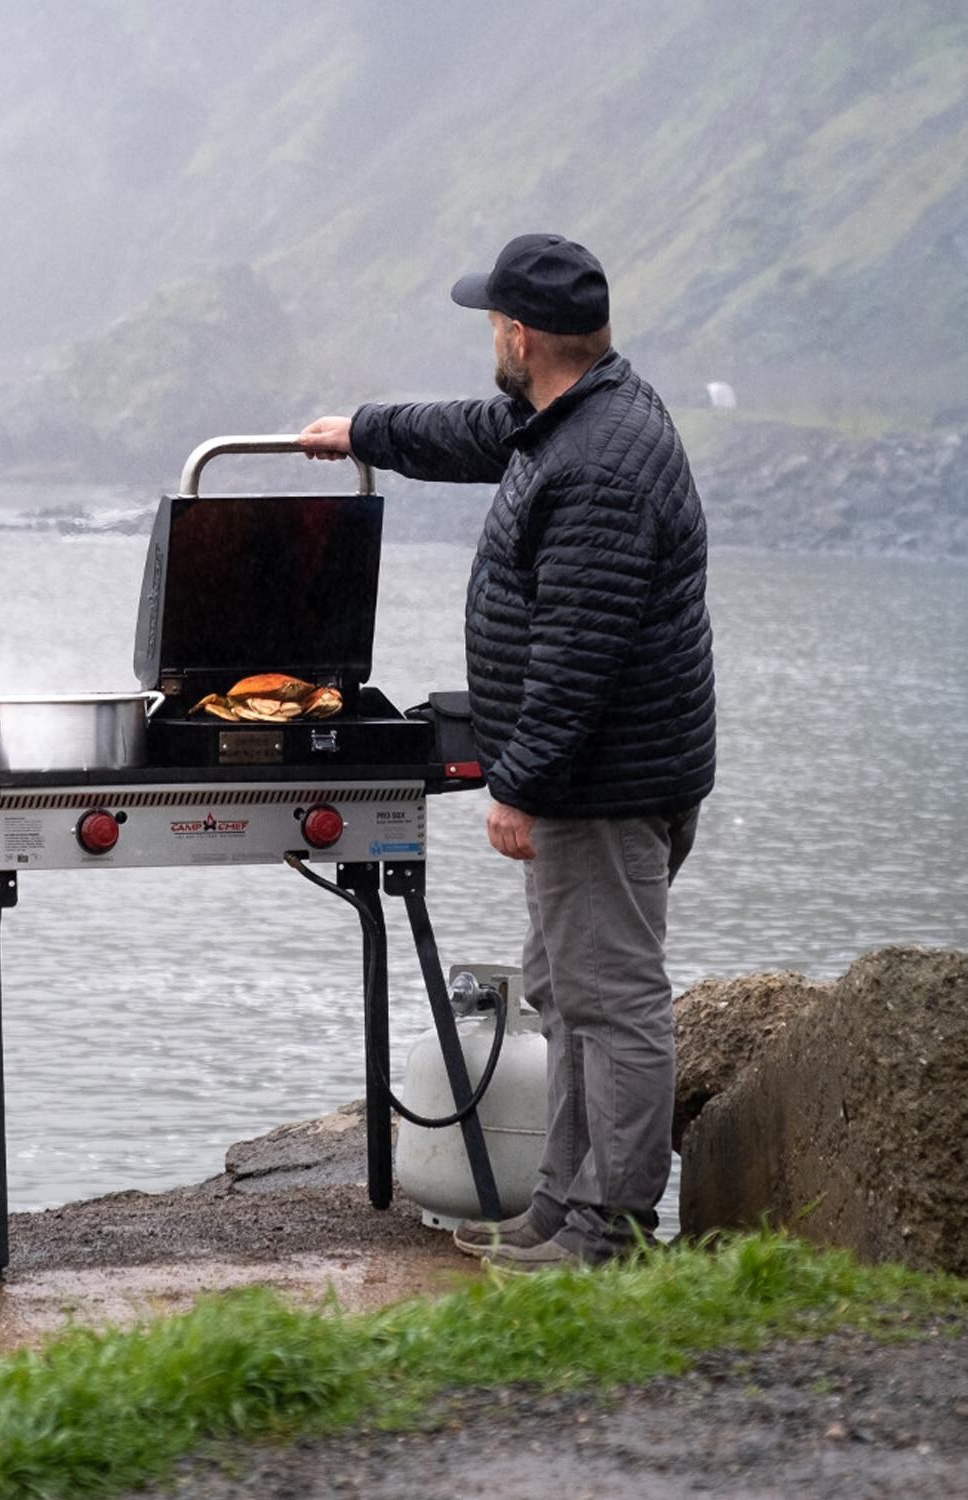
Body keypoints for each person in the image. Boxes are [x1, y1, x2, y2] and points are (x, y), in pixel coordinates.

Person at [298, 233, 716, 1270]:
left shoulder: (599, 466)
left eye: (493, 321)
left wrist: (517, 785)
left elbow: (580, 653)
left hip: (603, 787)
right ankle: (562, 1206)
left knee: (612, 1006)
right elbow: (477, 431)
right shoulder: (580, 413)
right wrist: (363, 431)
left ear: (520, 336)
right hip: (597, 776)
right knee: (568, 995)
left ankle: (610, 1232)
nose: (491, 336)